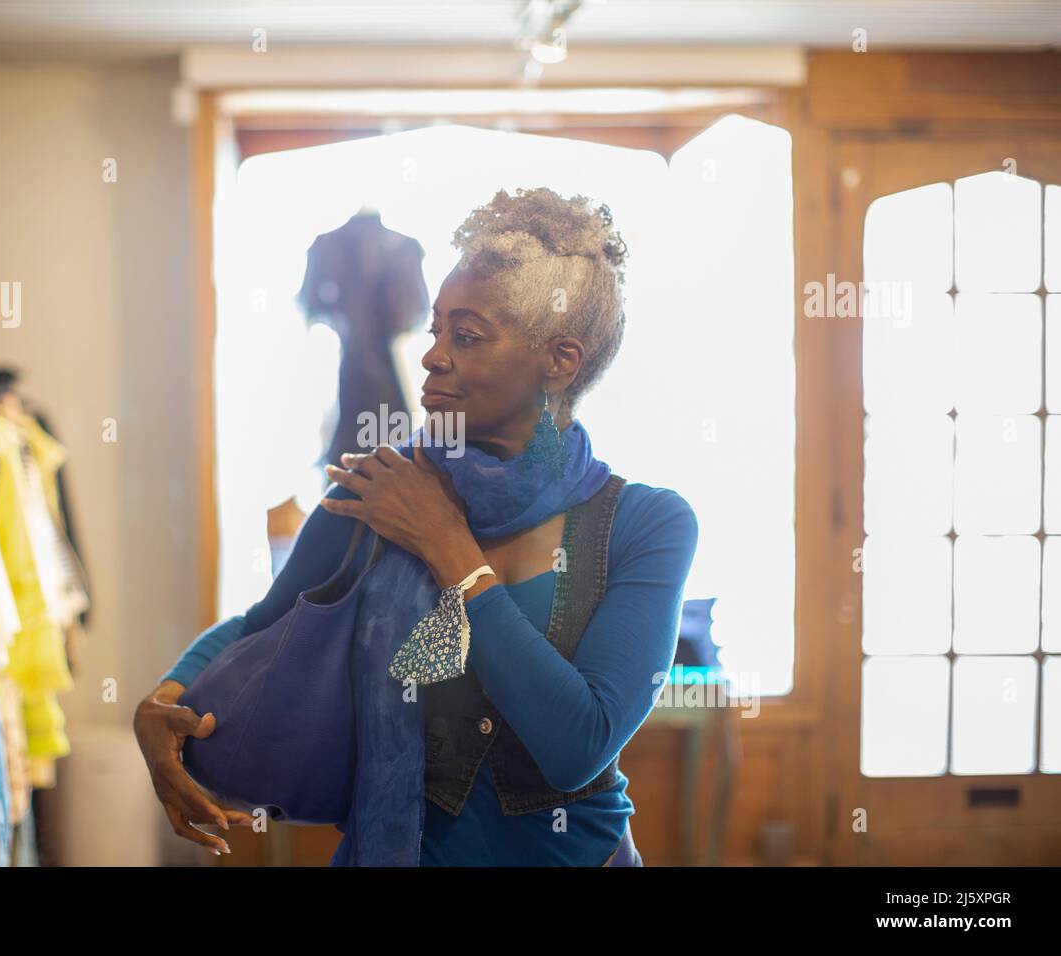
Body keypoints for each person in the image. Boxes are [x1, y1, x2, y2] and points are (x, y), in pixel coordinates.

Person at [134, 186, 698, 866]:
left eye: (467, 336)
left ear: (560, 361)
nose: (432, 356)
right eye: (435, 330)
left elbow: (577, 744)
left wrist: (447, 546)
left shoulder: (645, 523)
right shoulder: (382, 487)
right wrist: (162, 699)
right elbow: (267, 623)